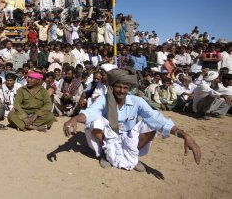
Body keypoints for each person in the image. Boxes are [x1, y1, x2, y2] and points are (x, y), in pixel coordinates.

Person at [63, 68, 201, 171]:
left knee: (152, 125)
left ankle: (132, 157)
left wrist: (184, 134)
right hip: (109, 137)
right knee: (94, 123)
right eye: (118, 87)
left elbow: (157, 118)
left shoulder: (137, 101)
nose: (122, 91)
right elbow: (90, 113)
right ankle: (105, 154)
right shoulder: (103, 100)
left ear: (129, 89)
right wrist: (75, 118)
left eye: (125, 88)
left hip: (129, 137)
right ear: (111, 87)